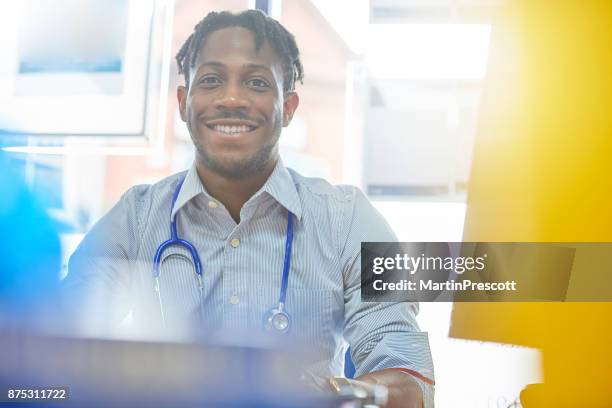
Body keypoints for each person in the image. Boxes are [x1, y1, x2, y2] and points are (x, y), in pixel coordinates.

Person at [63, 10, 434, 408]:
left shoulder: (350, 219)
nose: (232, 99)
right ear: (184, 102)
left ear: (288, 107)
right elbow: (53, 355)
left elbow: (412, 383)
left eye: (256, 82)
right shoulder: (134, 219)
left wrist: (330, 393)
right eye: (211, 80)